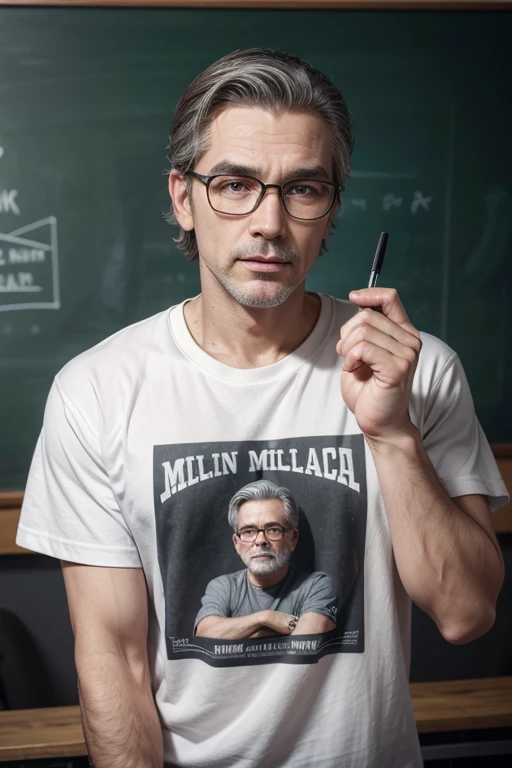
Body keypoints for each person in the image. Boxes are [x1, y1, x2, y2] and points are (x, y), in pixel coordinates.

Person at [17, 48, 508, 768]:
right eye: (235, 184)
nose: (269, 223)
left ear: (332, 207)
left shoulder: (418, 370)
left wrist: (393, 434)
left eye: (303, 189)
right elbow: (113, 664)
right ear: (184, 197)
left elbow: (467, 614)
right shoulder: (97, 389)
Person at [194, 479, 338, 638]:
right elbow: (205, 633)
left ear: (293, 539)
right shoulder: (223, 587)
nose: (260, 540)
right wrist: (265, 618)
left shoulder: (316, 586)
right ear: (237, 543)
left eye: (273, 529)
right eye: (249, 531)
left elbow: (308, 637)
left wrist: (244, 632)